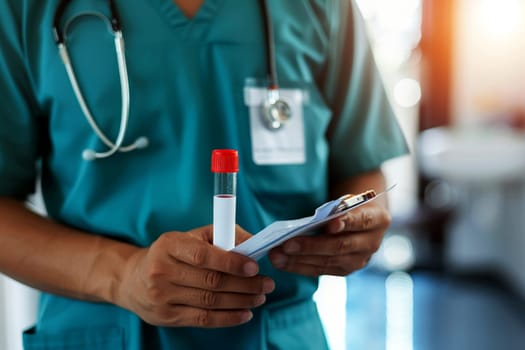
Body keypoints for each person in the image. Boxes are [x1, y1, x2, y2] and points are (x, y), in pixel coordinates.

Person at [0, 0, 408, 349]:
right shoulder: (25, 9)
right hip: (102, 330)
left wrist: (358, 224)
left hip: (278, 331)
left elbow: (360, 167)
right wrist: (123, 276)